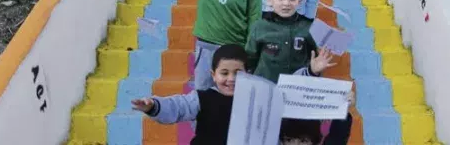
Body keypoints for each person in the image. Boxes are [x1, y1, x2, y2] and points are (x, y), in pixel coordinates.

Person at [131, 44, 323, 144]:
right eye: (224, 73)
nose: (231, 79)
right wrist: (153, 106)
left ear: (248, 73)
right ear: (213, 75)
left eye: (238, 73)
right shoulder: (202, 98)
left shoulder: (259, 98)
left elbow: (288, 91)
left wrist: (311, 71)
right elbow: (178, 107)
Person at [246, 0, 336, 82]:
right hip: (266, 88)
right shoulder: (259, 27)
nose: (286, 3)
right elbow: (250, 59)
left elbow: (337, 45)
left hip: (297, 90)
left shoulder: (310, 26)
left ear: (300, 0)